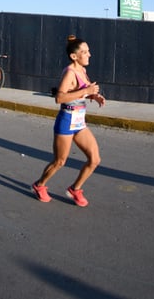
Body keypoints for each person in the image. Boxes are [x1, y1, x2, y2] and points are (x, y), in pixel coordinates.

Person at [32, 35, 106, 207]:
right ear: (74, 56)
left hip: (79, 122)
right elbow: (60, 98)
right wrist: (86, 90)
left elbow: (81, 92)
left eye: (88, 51)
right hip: (66, 120)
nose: (89, 54)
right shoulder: (70, 72)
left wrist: (94, 96)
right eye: (85, 52)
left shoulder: (82, 70)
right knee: (60, 161)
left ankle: (75, 189)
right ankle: (39, 185)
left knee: (95, 159)